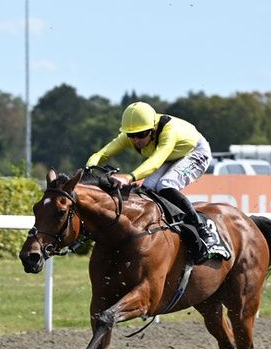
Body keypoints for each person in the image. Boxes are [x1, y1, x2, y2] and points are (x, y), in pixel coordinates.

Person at [86, 101, 226, 263]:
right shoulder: (129, 137)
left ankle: (203, 229)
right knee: (147, 188)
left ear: (152, 128)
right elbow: (101, 154)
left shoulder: (169, 130)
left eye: (142, 134)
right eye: (132, 135)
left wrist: (129, 177)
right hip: (171, 155)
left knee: (166, 184)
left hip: (195, 152)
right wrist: (89, 169)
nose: (136, 140)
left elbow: (155, 162)